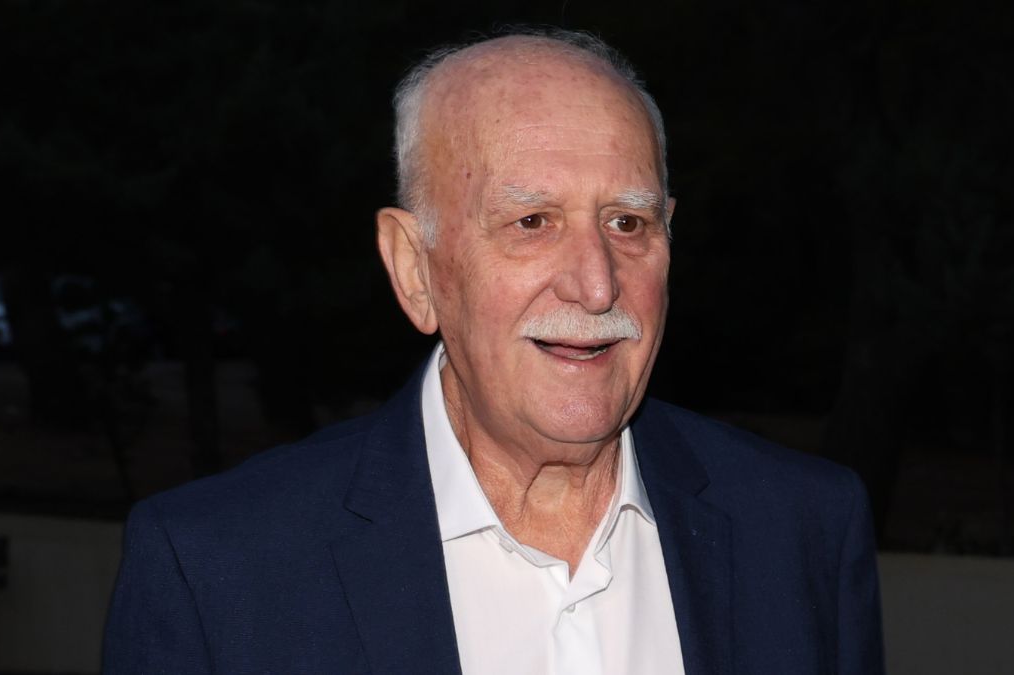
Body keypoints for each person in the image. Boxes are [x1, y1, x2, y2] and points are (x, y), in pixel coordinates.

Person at [103, 29, 884, 675]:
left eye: (627, 222)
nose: (596, 284)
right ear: (415, 269)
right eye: (532, 222)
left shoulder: (804, 529)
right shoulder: (215, 572)